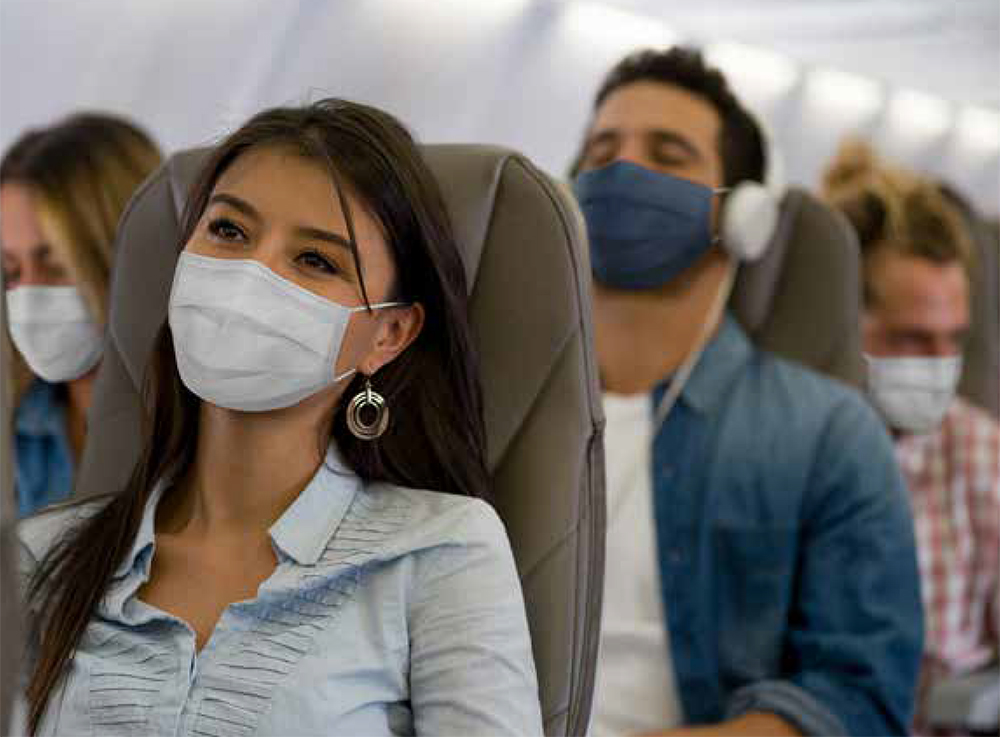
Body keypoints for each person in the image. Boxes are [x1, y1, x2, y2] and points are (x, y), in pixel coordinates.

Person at [17, 99, 542, 736]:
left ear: (388, 334)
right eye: (230, 232)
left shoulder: (441, 549)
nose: (250, 276)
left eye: (316, 261)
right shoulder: (42, 557)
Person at [570, 47, 923, 736]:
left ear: (743, 215)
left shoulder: (828, 433)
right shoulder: (491, 411)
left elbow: (860, 698)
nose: (621, 171)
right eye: (601, 149)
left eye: (666, 153)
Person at [824, 141, 1000, 733]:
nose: (941, 365)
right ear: (845, 323)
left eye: (954, 340)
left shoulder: (982, 454)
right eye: (913, 339)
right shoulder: (787, 455)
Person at [1, 113, 163, 516]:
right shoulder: (16, 426)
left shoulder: (215, 437)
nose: (30, 297)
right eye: (10, 272)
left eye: (57, 267)